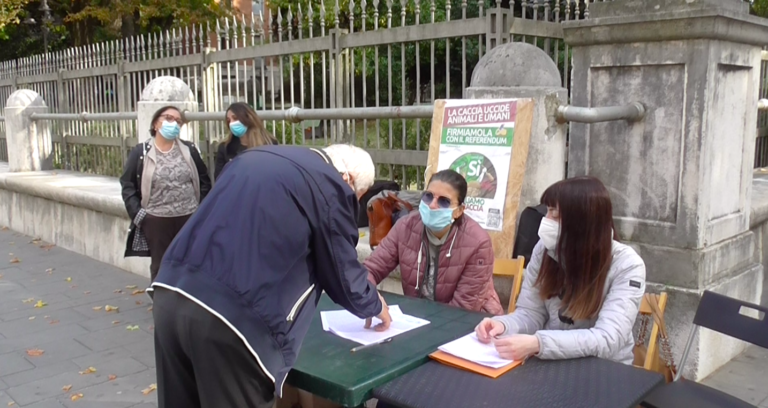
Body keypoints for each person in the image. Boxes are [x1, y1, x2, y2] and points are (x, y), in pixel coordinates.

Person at [150, 143, 393, 408]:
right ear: (348, 178)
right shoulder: (328, 183)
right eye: (356, 196)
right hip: (232, 322)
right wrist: (376, 305)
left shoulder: (256, 157)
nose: (352, 203)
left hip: (170, 292)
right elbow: (345, 276)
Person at [475, 176, 646, 364]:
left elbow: (608, 338)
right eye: (547, 212)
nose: (546, 221)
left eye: (554, 215)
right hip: (552, 362)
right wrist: (503, 325)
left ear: (582, 222)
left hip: (603, 371)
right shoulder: (544, 249)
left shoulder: (627, 264)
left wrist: (539, 343)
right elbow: (531, 312)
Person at [365, 169, 503, 315]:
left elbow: (463, 307)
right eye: (428, 196)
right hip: (417, 318)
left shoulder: (477, 242)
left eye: (444, 201)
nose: (432, 205)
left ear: (459, 210)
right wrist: (370, 300)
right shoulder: (405, 227)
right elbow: (371, 269)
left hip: (473, 323)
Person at [120, 106, 211, 284]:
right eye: (168, 118)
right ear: (155, 124)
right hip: (156, 220)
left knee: (189, 263)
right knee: (161, 264)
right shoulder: (141, 152)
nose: (174, 123)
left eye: (178, 121)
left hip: (188, 217)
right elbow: (127, 184)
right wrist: (139, 215)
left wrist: (200, 211)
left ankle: (186, 301)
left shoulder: (189, 150)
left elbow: (204, 180)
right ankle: (162, 303)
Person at [214, 102, 278, 180]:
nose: (231, 123)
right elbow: (219, 178)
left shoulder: (269, 144)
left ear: (248, 118)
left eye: (235, 118)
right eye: (229, 120)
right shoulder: (225, 147)